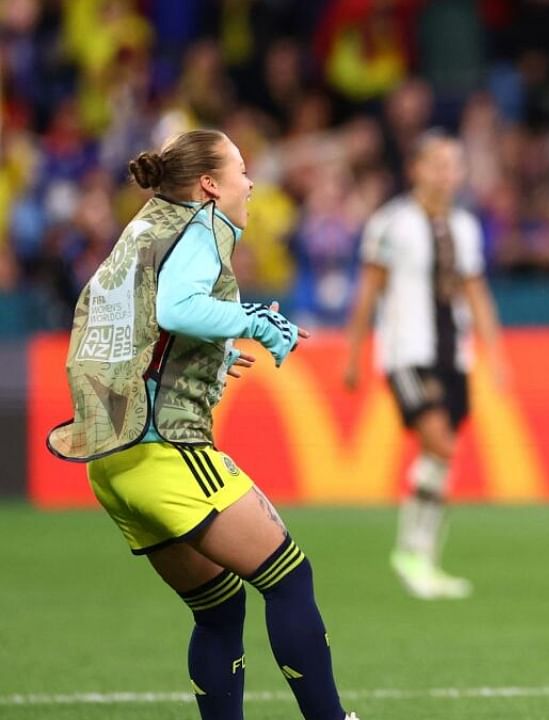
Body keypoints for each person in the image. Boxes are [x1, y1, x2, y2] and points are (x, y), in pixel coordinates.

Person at [46, 129, 358, 720]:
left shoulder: (140, 231)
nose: (251, 182)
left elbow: (130, 323)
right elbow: (177, 307)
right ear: (209, 185)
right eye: (241, 169)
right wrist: (258, 323)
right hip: (162, 447)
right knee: (290, 577)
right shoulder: (201, 224)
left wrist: (207, 355)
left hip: (110, 457)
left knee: (218, 610)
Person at [344, 130, 504, 600]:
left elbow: (475, 291)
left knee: (442, 452)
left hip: (452, 352)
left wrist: (494, 354)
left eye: (454, 164)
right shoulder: (391, 223)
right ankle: (413, 553)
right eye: (437, 163)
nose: (447, 173)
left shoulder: (466, 227)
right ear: (415, 169)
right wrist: (353, 354)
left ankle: (423, 555)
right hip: (407, 352)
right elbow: (369, 289)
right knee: (438, 443)